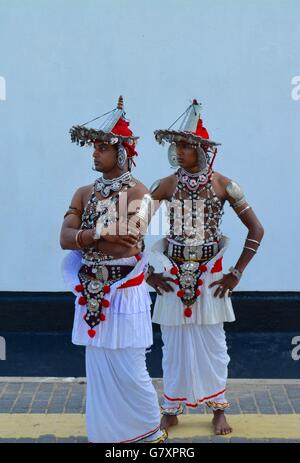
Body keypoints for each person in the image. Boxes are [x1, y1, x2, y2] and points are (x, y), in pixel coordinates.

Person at [146, 99, 264, 435]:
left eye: (186, 146)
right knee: (173, 343)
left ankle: (218, 408)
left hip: (212, 274)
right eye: (177, 146)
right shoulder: (165, 184)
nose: (179, 152)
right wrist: (150, 273)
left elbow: (257, 229)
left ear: (202, 150)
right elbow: (135, 228)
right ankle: (170, 407)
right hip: (172, 272)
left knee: (213, 344)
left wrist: (236, 273)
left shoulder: (225, 185)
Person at [60, 96, 167, 443]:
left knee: (131, 369)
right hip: (91, 292)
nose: (94, 154)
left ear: (121, 153)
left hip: (125, 292)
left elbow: (130, 240)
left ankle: (149, 437)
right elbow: (64, 239)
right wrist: (98, 233)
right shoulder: (83, 192)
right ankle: (107, 439)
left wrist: (86, 238)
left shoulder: (141, 192)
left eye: (102, 148)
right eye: (93, 148)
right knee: (99, 369)